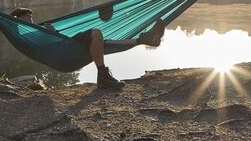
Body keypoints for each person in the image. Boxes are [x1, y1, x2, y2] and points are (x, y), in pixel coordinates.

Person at [10, 7, 166, 90]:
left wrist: (51, 32)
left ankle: (144, 39)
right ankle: (103, 77)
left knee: (103, 42)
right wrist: (47, 33)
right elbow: (44, 46)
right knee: (96, 33)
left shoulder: (41, 29)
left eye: (31, 18)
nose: (31, 21)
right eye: (26, 19)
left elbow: (53, 40)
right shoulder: (28, 36)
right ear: (18, 24)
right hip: (64, 54)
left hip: (70, 48)